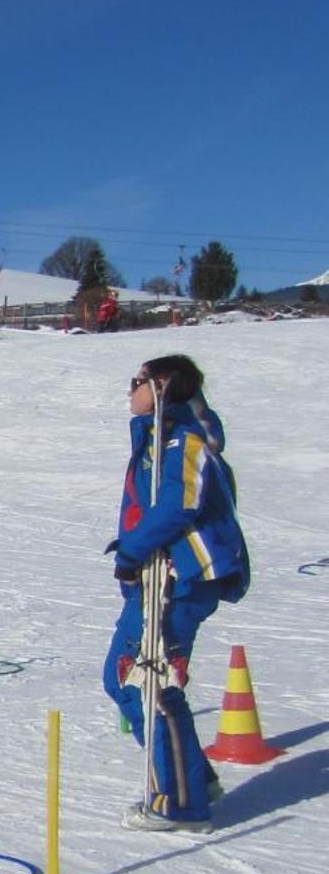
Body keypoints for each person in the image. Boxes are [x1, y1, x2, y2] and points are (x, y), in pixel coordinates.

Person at [104, 354, 248, 832]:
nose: (130, 391)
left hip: (178, 579)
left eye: (137, 381)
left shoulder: (181, 440)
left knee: (146, 681)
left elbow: (178, 506)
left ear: (161, 386)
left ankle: (181, 802)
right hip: (159, 574)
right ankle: (191, 779)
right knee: (126, 678)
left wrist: (132, 552)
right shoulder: (161, 437)